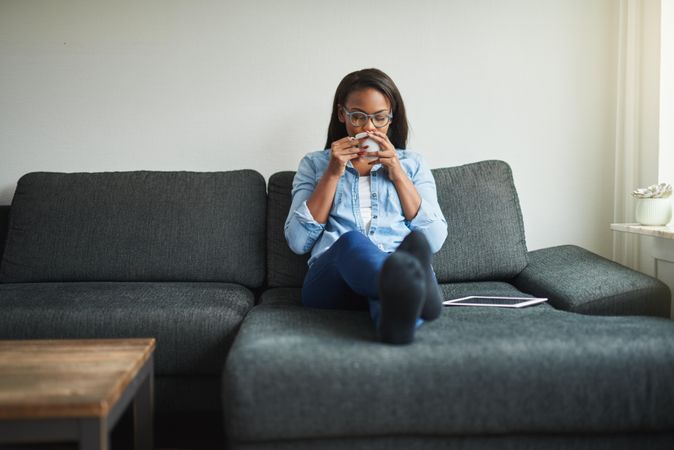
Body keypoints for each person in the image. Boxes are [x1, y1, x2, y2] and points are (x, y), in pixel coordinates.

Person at [284, 68, 448, 345]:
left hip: (390, 284)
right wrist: (333, 172)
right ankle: (418, 290)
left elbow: (434, 239)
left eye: (379, 118)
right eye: (358, 117)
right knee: (351, 241)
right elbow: (298, 242)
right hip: (332, 283)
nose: (368, 128)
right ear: (342, 114)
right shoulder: (315, 164)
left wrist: (397, 172)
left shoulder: (412, 164)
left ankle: (398, 322)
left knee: (399, 287)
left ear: (391, 118)